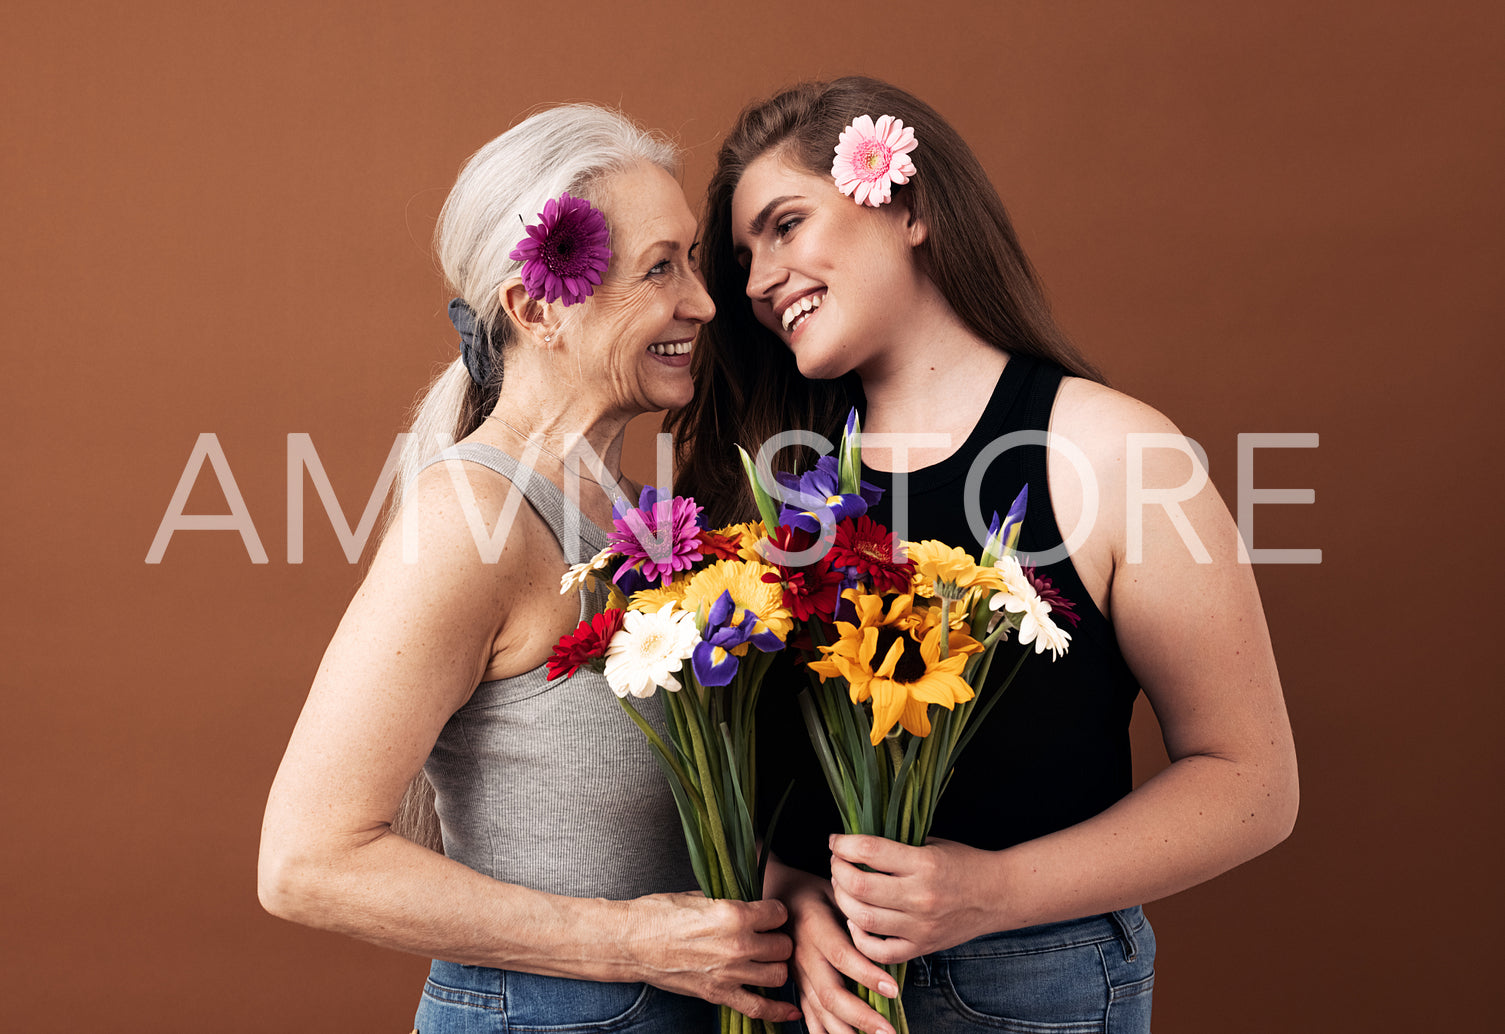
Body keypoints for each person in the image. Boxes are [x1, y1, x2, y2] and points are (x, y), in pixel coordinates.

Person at [669, 77, 1299, 1034]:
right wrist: (786, 893)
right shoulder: (767, 477)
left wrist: (993, 890)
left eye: (786, 225)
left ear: (909, 205)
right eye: (746, 255)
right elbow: (723, 768)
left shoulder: (1115, 454)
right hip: (803, 994)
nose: (757, 282)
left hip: (1031, 988)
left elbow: (1251, 785)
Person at [258, 104, 800, 1033]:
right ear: (536, 306)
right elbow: (307, 862)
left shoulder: (636, 518)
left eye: (694, 259)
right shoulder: (475, 517)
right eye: (659, 268)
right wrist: (633, 946)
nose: (705, 303)